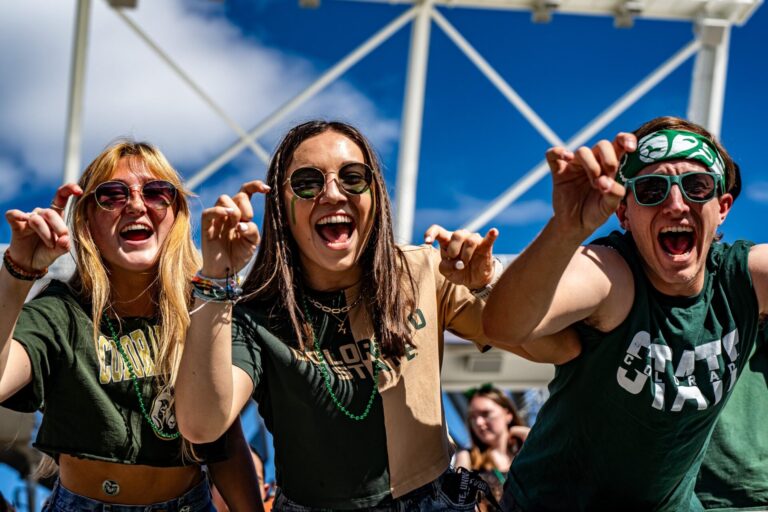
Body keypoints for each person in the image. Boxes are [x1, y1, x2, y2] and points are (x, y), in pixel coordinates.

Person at [174, 119, 531, 509]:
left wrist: (485, 280)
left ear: (374, 194)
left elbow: (538, 339)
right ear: (280, 207)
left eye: (353, 177)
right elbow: (202, 425)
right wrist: (215, 277)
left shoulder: (424, 271)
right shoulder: (257, 314)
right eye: (306, 182)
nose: (332, 193)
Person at [482, 116, 768, 511]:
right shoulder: (615, 275)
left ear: (722, 207)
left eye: (696, 186)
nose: (676, 204)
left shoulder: (743, 278)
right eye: (652, 189)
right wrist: (565, 229)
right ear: (624, 213)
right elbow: (505, 325)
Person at [0, 141, 260, 511]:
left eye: (157, 193)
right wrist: (18, 272)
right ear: (87, 219)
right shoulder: (61, 311)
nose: (137, 205)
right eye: (112, 195)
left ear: (177, 214)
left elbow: (224, 436)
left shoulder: (203, 309)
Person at [455, 384, 530, 509]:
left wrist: (520, 431)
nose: (478, 423)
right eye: (473, 417)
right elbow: (457, 498)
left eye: (485, 413)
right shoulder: (468, 457)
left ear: (508, 414)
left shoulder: (525, 454)